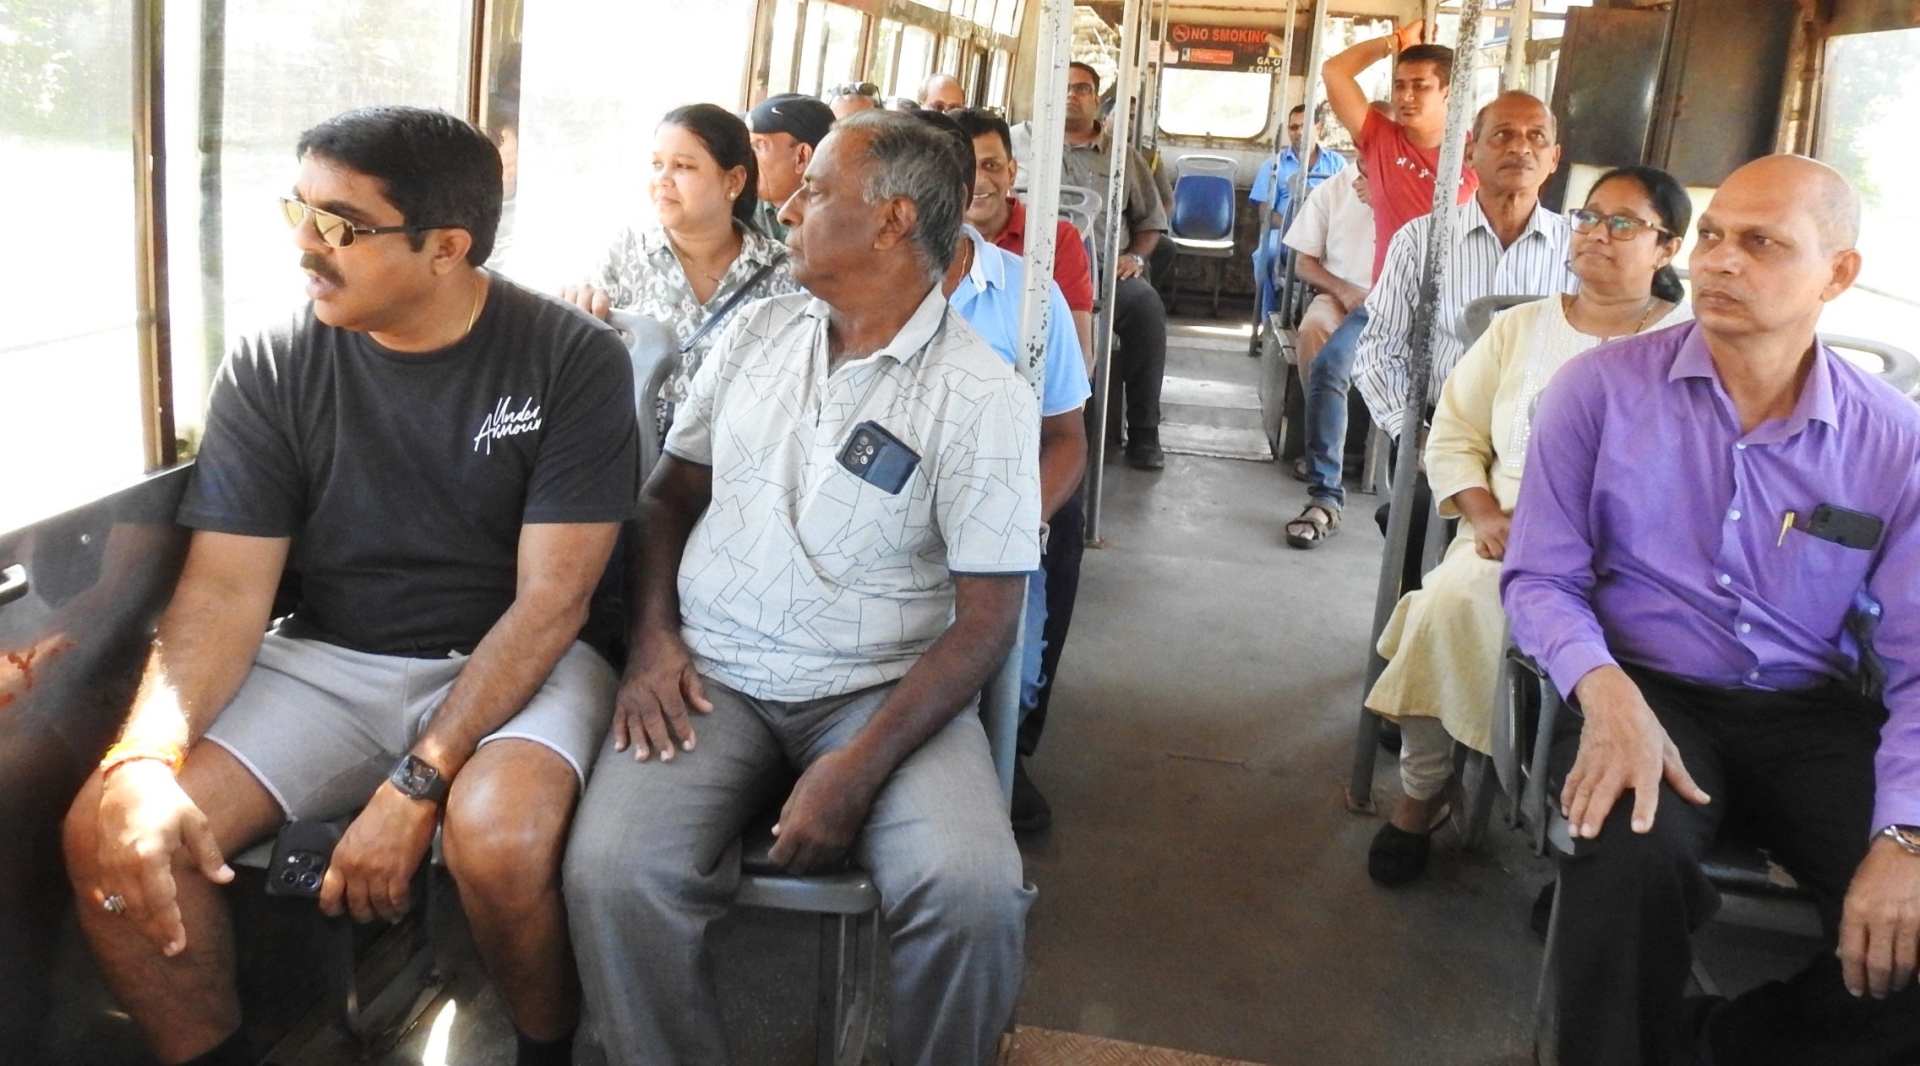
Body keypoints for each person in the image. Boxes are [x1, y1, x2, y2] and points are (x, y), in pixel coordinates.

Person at [61, 106, 639, 1066]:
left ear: (446, 247)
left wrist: (417, 786)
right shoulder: (277, 361)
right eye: (299, 209)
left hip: (515, 662)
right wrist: (140, 759)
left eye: (338, 226)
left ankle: (544, 1044)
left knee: (496, 837)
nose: (302, 247)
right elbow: (222, 596)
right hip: (329, 657)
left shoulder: (571, 359)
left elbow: (552, 603)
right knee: (110, 828)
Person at [563, 110, 1039, 1066]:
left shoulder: (981, 394)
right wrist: (653, 643)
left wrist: (858, 766)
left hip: (884, 688)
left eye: (815, 190)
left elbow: (990, 617)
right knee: (613, 871)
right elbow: (667, 500)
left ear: (893, 220)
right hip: (717, 675)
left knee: (973, 892)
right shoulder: (760, 335)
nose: (786, 207)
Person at [1505, 154, 1920, 1066]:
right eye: (1714, 237)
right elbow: (1539, 578)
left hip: (1809, 709)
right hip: (1648, 688)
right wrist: (1605, 696)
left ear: (1839, 274)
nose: (1719, 262)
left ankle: (1724, 1040)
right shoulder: (1599, 393)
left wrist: (1906, 833)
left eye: (1762, 244)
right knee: (1627, 857)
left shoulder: (1893, 441)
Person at [1363, 165, 1692, 887]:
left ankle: (1585, 843)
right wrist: (1480, 513)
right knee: (1445, 606)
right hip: (1513, 534)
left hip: (1639, 560)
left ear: (1666, 248)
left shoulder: (1692, 344)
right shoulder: (1518, 329)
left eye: (1624, 223)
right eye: (1588, 218)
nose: (1598, 235)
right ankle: (1423, 789)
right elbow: (1451, 434)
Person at [1292, 92, 1571, 549]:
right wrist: (1413, 433)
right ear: (1469, 152)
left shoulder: (1578, 250)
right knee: (1420, 525)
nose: (1521, 148)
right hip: (1443, 423)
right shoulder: (1422, 241)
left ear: (1554, 158)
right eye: (1502, 135)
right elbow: (1378, 350)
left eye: (1536, 138)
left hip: (1546, 437)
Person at [920, 108, 1090, 832]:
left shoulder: (1027, 293)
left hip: (998, 508)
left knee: (1007, 671)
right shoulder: (859, 288)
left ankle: (1006, 750)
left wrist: (1022, 521)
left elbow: (1066, 436)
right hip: (893, 513)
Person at [561, 103, 797, 406]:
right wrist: (577, 303)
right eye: (657, 164)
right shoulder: (626, 253)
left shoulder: (781, 272)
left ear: (734, 180)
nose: (663, 179)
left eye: (683, 166)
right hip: (630, 450)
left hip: (730, 452)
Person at [1011, 61, 1171, 470]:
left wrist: (1134, 256)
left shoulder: (1121, 155)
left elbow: (1151, 220)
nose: (1071, 95)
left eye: (1082, 88)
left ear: (1096, 100)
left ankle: (1144, 431)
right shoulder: (1014, 145)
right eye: (1062, 86)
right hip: (1023, 265)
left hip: (1103, 272)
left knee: (1146, 307)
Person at [1323, 21, 1477, 281]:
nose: (1405, 96)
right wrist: (1398, 40)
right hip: (1389, 299)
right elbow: (1334, 71)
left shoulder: (1477, 152)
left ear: (1448, 93)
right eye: (1399, 85)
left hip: (1454, 297)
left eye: (1420, 86)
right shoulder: (1381, 138)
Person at [1281, 154, 1374, 489]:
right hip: (1340, 295)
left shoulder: (1415, 187)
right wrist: (1344, 291)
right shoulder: (1332, 190)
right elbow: (1304, 263)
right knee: (1313, 329)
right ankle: (1322, 439)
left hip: (1394, 301)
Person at [1250, 103, 1348, 320]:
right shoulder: (1274, 165)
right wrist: (1294, 229)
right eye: (1293, 128)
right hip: (1285, 234)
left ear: (1318, 127)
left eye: (1304, 126)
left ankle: (1331, 321)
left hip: (1327, 238)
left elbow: (1347, 205)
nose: (1299, 132)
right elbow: (1264, 210)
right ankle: (1267, 319)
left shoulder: (1337, 164)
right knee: (1263, 256)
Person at [744, 91, 835, 241]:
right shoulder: (741, 207)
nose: (747, 157)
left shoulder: (837, 222)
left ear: (801, 157)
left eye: (760, 146)